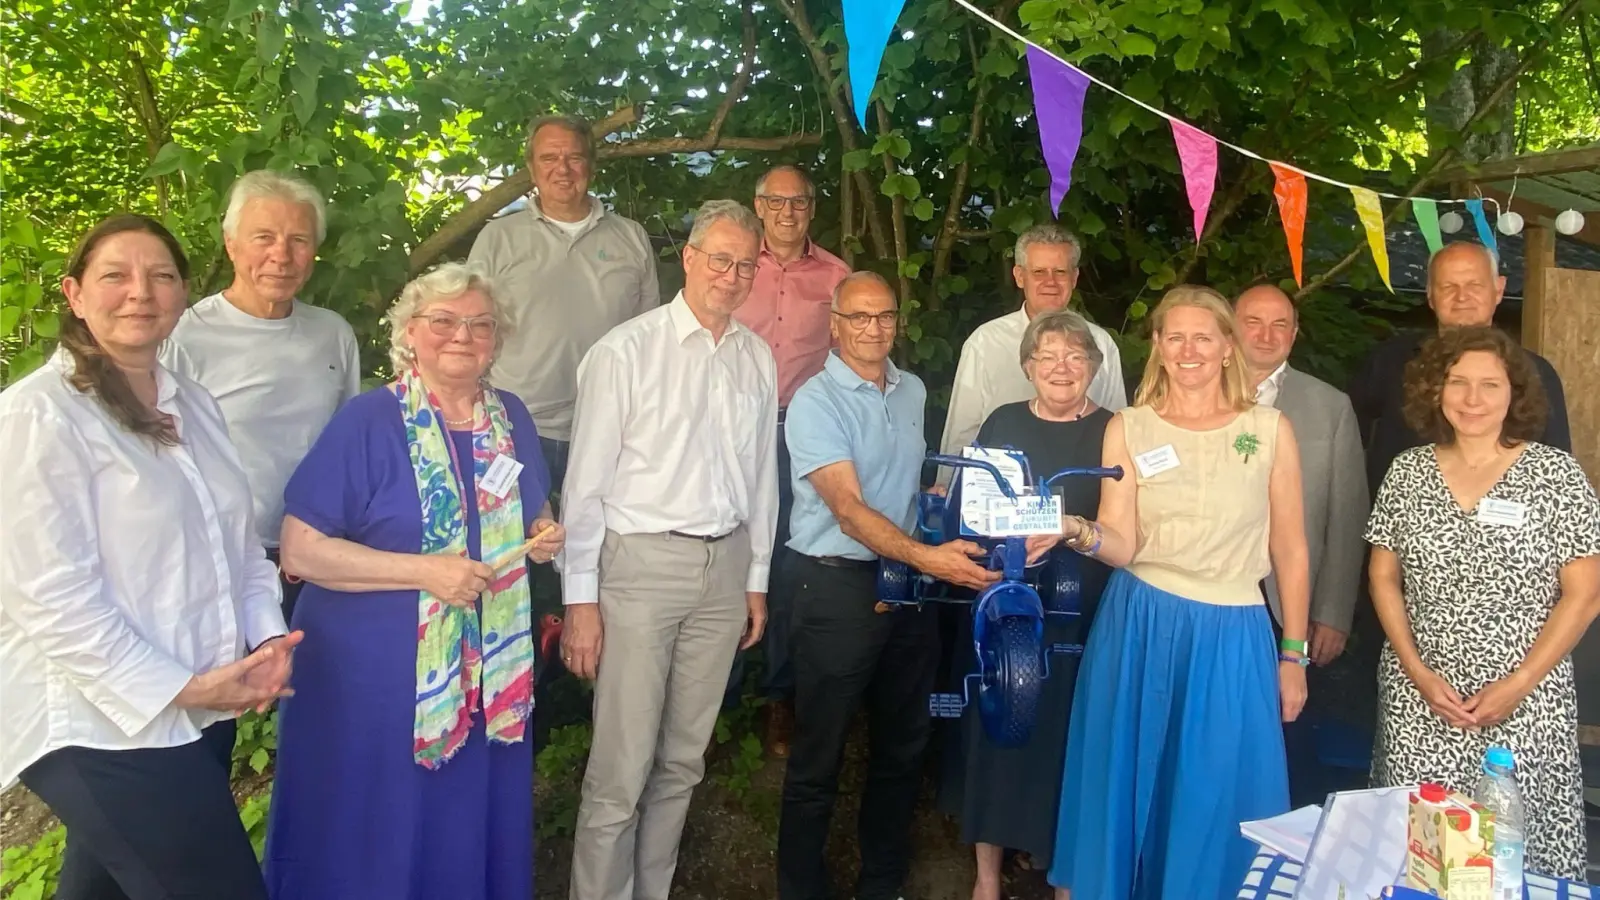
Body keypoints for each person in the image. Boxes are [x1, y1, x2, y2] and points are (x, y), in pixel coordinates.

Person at [0, 214, 299, 900]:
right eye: (116, 275)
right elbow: (48, 596)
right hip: (98, 725)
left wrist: (269, 638)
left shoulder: (193, 405)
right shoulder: (39, 416)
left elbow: (238, 543)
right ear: (74, 293)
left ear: (183, 294)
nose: (140, 291)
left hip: (200, 705)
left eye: (161, 276)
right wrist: (182, 688)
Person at [263, 262, 563, 900]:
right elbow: (301, 549)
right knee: (375, 825)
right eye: (444, 321)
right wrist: (425, 572)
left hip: (486, 674)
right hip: (369, 681)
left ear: (497, 339)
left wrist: (542, 531)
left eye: (480, 324)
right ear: (409, 333)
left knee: (461, 818)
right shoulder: (368, 421)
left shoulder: (510, 416)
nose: (463, 335)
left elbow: (528, 505)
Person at [1048, 285, 1311, 900]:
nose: (1188, 349)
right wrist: (1073, 530)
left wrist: (1293, 654)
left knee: (1215, 788)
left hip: (1233, 628)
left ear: (1227, 346)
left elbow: (1291, 549)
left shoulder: (1268, 428)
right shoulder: (1128, 428)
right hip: (1140, 621)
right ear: (1159, 349)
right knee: (1125, 777)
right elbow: (1122, 541)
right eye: (1175, 337)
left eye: (1203, 336)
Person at [559, 199, 778, 900]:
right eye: (720, 258)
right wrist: (580, 600)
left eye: (746, 263)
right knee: (619, 771)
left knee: (683, 763)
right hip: (640, 570)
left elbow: (760, 477)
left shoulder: (756, 355)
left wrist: (758, 577)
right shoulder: (624, 352)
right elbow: (584, 488)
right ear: (687, 257)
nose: (733, 274)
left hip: (725, 570)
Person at [777, 271, 1000, 900]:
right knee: (818, 759)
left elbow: (903, 489)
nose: (873, 328)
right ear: (836, 323)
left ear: (897, 321)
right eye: (859, 317)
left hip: (909, 592)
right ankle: (800, 890)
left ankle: (882, 882)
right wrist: (931, 559)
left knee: (904, 748)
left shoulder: (912, 391)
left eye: (884, 316)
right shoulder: (815, 401)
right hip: (836, 589)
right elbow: (847, 510)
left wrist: (933, 505)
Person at [1365, 326, 1599, 880]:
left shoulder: (1556, 476)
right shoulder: (1407, 472)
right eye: (1459, 383)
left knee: (1518, 860)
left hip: (1526, 702)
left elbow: (1585, 594)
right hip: (1423, 699)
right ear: (1436, 390)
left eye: (1490, 385)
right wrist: (1417, 673)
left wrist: (1518, 685)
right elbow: (1382, 577)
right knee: (1420, 861)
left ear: (1514, 393)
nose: (1473, 399)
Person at [949, 310, 1114, 900]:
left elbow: (1130, 523)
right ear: (1028, 367)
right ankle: (987, 878)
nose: (1062, 368)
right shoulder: (1003, 421)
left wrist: (1073, 529)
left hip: (1087, 609)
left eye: (1075, 357)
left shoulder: (1115, 430)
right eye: (1048, 357)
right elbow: (976, 510)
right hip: (1010, 602)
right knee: (995, 732)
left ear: (1094, 367)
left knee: (1073, 738)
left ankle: (1064, 874)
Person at [162, 169, 361, 621]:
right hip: (222, 556)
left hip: (317, 552)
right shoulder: (185, 337)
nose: (282, 256)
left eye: (298, 240)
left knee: (306, 685)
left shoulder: (332, 333)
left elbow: (348, 444)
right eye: (264, 237)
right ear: (231, 244)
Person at [469, 113, 661, 489]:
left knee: (595, 542)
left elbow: (650, 338)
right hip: (515, 426)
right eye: (548, 158)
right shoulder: (497, 238)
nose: (563, 170)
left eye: (574, 158)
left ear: (591, 164)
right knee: (513, 538)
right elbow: (470, 330)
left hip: (609, 427)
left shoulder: (632, 238)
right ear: (531, 167)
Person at [731, 163, 850, 756]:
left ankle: (780, 696)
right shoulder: (734, 267)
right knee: (724, 550)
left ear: (811, 208)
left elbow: (850, 360)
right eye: (775, 201)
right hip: (728, 433)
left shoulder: (836, 276)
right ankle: (716, 695)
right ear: (758, 205)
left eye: (798, 201)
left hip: (800, 436)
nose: (787, 211)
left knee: (788, 563)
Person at [1234, 284, 1368, 804]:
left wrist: (1333, 610)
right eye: (1253, 321)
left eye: (1280, 325)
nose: (1266, 336)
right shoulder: (1193, 393)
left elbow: (1348, 511)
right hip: (1211, 592)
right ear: (1231, 324)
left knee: (1286, 732)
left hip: (1289, 602)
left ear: (1294, 333)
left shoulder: (1328, 406)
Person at [1348, 241, 1570, 498]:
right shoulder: (1388, 361)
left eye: (1474, 285)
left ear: (1499, 290)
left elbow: (1557, 469)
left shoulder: (1536, 372)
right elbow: (1349, 447)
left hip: (1506, 529)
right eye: (1448, 287)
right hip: (1400, 522)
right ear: (1430, 296)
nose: (1462, 297)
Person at [939, 223, 1126, 458]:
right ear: (1019, 276)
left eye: (1060, 272)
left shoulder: (1101, 343)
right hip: (1002, 487)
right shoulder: (985, 342)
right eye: (1039, 272)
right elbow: (961, 430)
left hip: (1086, 483)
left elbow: (1119, 427)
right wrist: (949, 486)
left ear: (1075, 277)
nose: (1050, 282)